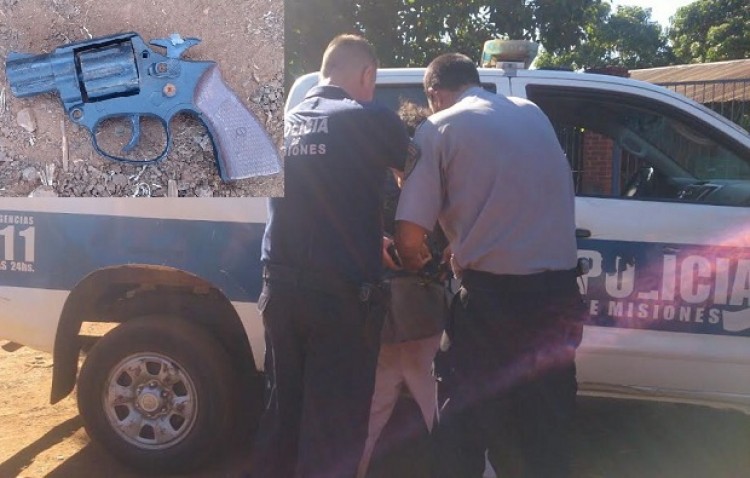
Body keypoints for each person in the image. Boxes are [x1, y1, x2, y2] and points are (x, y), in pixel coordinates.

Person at [394, 53, 585, 478]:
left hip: (494, 305)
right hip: (558, 298)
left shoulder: (438, 127)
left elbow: (409, 235)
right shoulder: (532, 113)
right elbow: (513, 199)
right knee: (547, 429)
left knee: (461, 429)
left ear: (434, 94)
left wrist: (416, 260)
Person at [252, 34, 410, 478]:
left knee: (282, 418)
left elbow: (312, 196)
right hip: (341, 300)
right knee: (334, 432)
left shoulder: (281, 123)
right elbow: (413, 180)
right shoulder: (371, 117)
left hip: (279, 291)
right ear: (367, 74)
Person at [356, 101, 448, 478]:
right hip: (419, 309)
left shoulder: (371, 178)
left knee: (375, 406)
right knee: (438, 402)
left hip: (380, 309)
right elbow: (431, 247)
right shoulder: (425, 179)